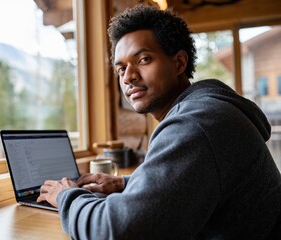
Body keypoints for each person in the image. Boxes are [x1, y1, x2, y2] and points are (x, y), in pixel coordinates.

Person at [37, 4, 281, 239]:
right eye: (121, 69)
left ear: (179, 63)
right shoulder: (207, 110)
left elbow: (119, 231)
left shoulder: (196, 124)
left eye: (143, 59)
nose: (129, 77)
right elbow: (191, 180)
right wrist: (123, 183)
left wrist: (66, 196)